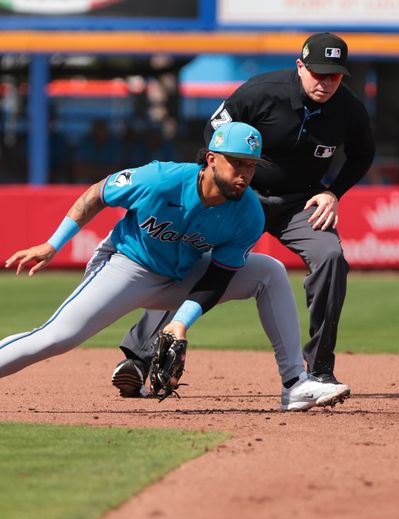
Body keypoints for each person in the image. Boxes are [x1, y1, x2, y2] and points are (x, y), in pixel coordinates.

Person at [1, 121, 349, 411]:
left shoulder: (248, 214)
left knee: (269, 272)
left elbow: (219, 276)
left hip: (184, 275)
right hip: (128, 266)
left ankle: (294, 384)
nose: (245, 173)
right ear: (212, 159)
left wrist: (179, 323)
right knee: (57, 337)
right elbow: (97, 194)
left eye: (251, 165)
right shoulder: (159, 179)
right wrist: (53, 244)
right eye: (236, 162)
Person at [114, 32, 375, 398]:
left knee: (330, 257)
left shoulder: (348, 109)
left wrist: (333, 192)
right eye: (318, 72)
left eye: (334, 75)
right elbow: (213, 133)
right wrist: (211, 191)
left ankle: (320, 371)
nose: (326, 82)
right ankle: (138, 359)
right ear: (300, 67)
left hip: (299, 202)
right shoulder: (260, 92)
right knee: (195, 263)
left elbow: (363, 154)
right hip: (240, 197)